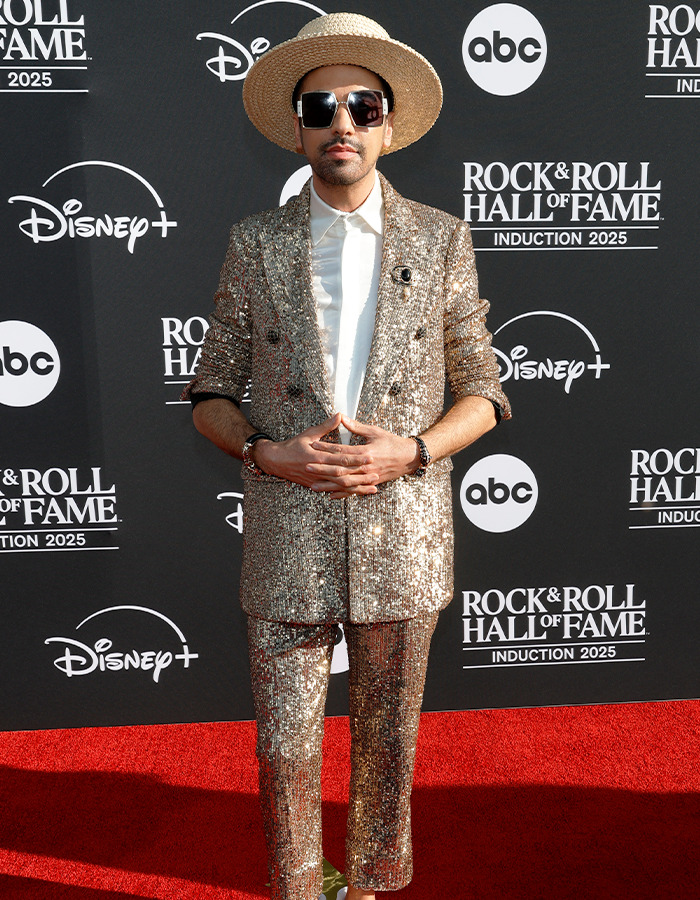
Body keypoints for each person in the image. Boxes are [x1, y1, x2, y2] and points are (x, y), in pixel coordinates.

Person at [183, 12, 511, 900]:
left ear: (388, 125)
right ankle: (296, 887)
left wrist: (413, 450)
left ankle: (368, 884)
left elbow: (483, 385)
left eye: (362, 106)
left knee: (388, 738)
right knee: (284, 746)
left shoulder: (441, 239)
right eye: (320, 106)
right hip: (287, 529)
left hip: (403, 535)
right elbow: (209, 385)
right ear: (296, 128)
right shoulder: (257, 241)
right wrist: (263, 449)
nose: (342, 124)